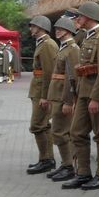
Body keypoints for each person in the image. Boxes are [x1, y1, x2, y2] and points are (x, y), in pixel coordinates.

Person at [63, 2, 99, 190]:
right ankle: (83, 173)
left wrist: (96, 97)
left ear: (90, 17)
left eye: (81, 16)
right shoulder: (87, 38)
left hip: (97, 95)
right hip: (84, 93)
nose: (77, 19)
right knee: (77, 132)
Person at [45, 17, 80, 183]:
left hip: (63, 96)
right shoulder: (63, 47)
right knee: (58, 132)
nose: (57, 30)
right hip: (57, 95)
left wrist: (68, 100)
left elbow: (72, 77)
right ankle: (66, 164)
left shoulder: (72, 49)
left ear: (69, 30)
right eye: (57, 28)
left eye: (61, 28)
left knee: (61, 132)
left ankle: (69, 166)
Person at [26, 16, 59, 175]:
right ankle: (46, 159)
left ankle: (46, 160)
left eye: (33, 26)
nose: (30, 28)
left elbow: (49, 72)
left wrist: (46, 96)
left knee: (37, 125)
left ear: (41, 27)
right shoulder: (42, 44)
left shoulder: (47, 45)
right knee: (43, 125)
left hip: (42, 92)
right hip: (38, 90)